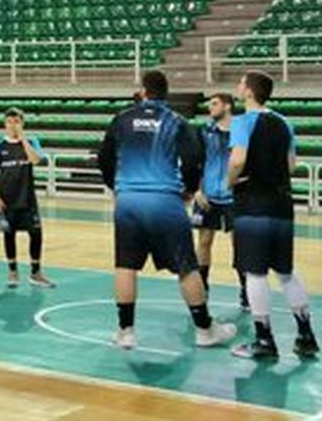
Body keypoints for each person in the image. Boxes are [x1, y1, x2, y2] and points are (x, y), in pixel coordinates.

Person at [96, 70, 236, 352]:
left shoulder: (122, 119)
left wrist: (117, 187)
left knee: (125, 265)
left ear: (143, 91)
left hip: (129, 202)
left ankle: (126, 332)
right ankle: (204, 330)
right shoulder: (177, 122)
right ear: (165, 93)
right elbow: (194, 159)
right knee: (186, 266)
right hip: (165, 200)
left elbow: (104, 159)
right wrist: (188, 189)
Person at [227, 71, 319, 360]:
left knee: (255, 273)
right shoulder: (284, 122)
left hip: (253, 202)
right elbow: (291, 165)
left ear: (250, 93)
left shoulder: (242, 122)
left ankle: (264, 340)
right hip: (282, 203)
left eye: (242, 83)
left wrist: (230, 180)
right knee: (286, 272)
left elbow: (238, 159)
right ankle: (306, 335)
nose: (239, 87)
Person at [0, 107, 54, 288]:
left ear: (22, 123)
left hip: (28, 198)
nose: (13, 125)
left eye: (16, 121)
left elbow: (36, 160)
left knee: (36, 233)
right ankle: (13, 271)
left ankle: (36, 272)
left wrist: (23, 139)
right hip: (7, 197)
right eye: (9, 122)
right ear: (4, 124)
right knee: (9, 235)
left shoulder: (32, 141)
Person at [194, 92, 246, 310]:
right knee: (204, 242)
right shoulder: (204, 131)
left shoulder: (242, 131)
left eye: (214, 104)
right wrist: (197, 190)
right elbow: (196, 162)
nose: (210, 108)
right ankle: (202, 286)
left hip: (235, 197)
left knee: (241, 245)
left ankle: (246, 291)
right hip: (208, 195)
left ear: (227, 106)